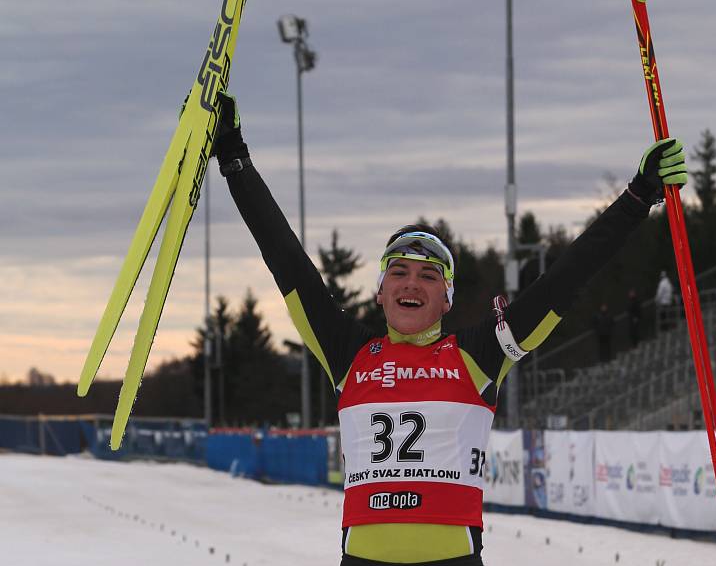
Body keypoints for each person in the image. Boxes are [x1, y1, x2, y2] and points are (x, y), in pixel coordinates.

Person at [213, 92, 687, 566]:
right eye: (398, 272)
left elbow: (564, 280)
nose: (411, 284)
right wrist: (235, 160)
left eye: (428, 275)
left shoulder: (478, 354)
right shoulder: (349, 353)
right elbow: (288, 262)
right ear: (380, 291)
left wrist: (636, 197)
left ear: (447, 298)